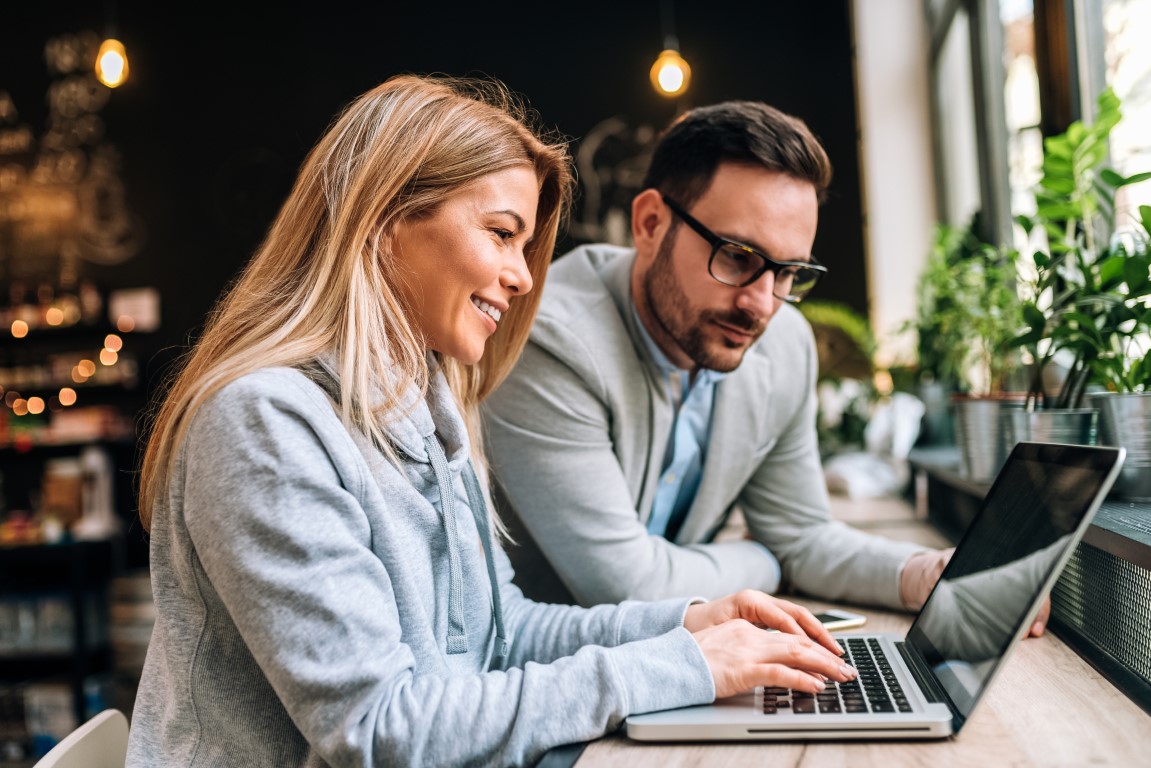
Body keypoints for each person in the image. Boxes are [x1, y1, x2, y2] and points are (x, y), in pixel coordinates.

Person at [124, 75, 858, 768]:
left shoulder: (427, 403)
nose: (524, 275)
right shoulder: (265, 425)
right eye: (502, 234)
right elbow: (377, 731)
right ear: (384, 223)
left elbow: (502, 634)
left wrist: (688, 625)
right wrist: (675, 667)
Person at [481, 99, 958, 613]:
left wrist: (922, 575)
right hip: (550, 671)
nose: (760, 304)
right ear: (649, 224)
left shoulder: (785, 344)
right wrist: (767, 561)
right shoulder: (551, 338)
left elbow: (801, 535)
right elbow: (628, 587)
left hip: (690, 653)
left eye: (788, 272)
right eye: (736, 256)